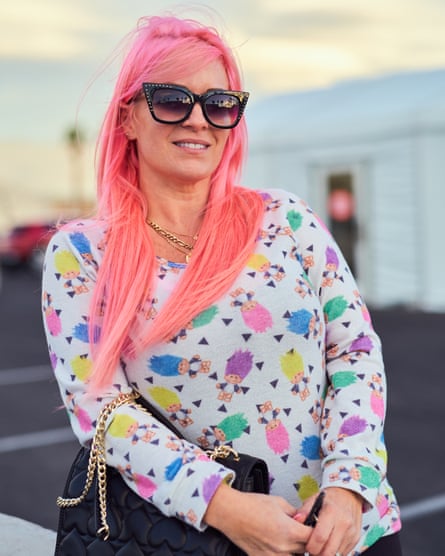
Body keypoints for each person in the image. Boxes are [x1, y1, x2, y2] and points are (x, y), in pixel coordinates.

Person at [41, 13, 402, 556]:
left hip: (353, 535)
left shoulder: (287, 219)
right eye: (171, 99)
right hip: (208, 541)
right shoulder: (81, 254)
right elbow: (103, 412)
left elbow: (352, 348)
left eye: (219, 103)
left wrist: (351, 487)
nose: (197, 121)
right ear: (128, 119)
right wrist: (223, 506)